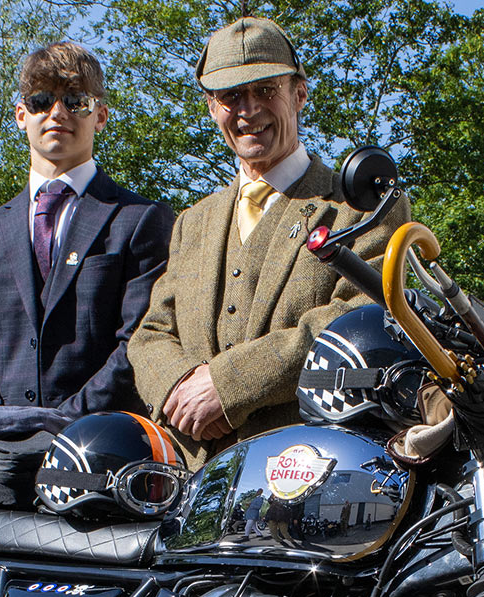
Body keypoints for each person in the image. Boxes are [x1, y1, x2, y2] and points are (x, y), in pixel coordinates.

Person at [127, 16, 409, 466]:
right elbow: (151, 334)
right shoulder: (192, 222)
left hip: (311, 474)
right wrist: (179, 387)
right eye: (231, 96)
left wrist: (230, 385)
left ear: (299, 93)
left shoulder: (364, 204)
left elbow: (361, 317)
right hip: (191, 484)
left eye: (264, 90)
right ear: (210, 107)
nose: (248, 110)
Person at [0, 42, 175, 415]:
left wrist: (62, 425)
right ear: (21, 115)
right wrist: (0, 431)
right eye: (41, 100)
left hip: (101, 450)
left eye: (75, 100)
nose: (56, 112)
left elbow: (140, 341)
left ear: (100, 115)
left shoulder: (141, 219)